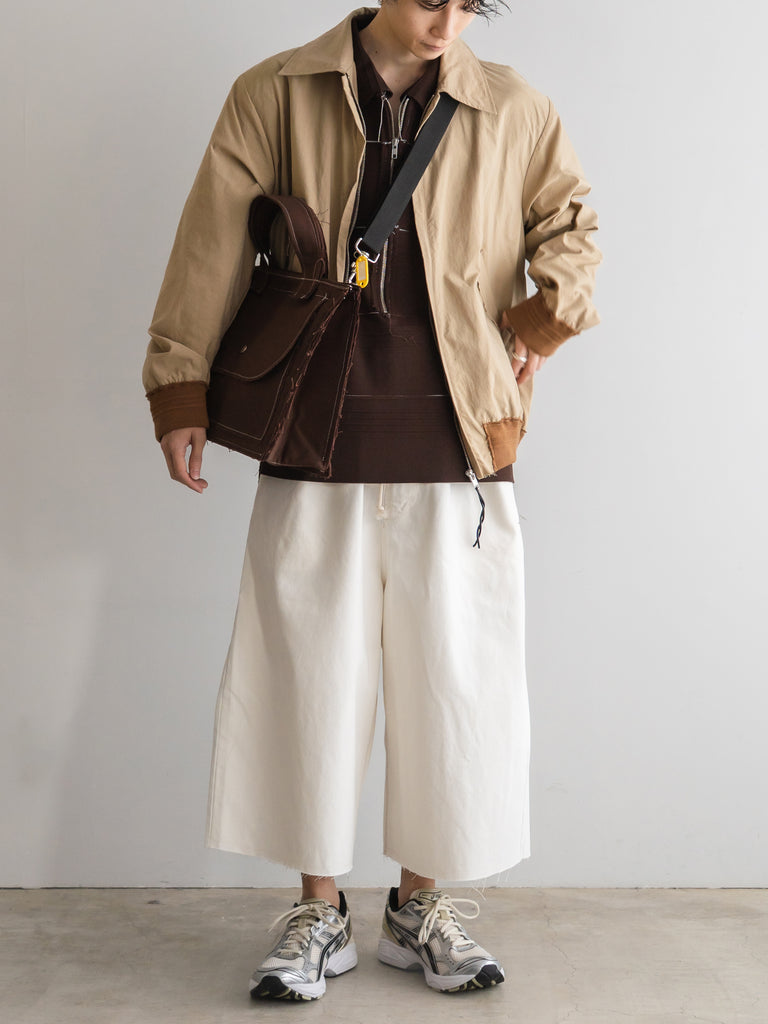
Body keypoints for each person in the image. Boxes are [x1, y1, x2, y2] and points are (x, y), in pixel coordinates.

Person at [141, 0, 601, 1003]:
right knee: (305, 676)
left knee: (454, 684)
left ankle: (418, 908)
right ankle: (318, 910)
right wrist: (179, 387)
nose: (448, 23)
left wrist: (538, 322)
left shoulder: (513, 106)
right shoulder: (275, 93)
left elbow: (573, 227)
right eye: (431, 0)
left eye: (468, 5)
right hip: (313, 432)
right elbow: (211, 243)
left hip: (459, 440)